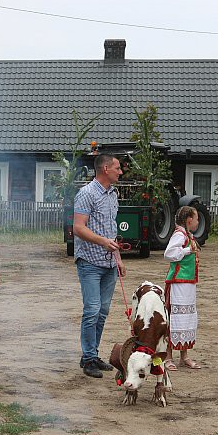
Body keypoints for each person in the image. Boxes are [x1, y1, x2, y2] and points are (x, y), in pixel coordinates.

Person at [72, 151, 126, 378]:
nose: (121, 172)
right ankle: (88, 359)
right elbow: (78, 227)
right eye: (117, 168)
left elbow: (111, 230)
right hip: (90, 262)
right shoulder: (86, 194)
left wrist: (118, 259)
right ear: (105, 169)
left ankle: (93, 354)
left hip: (109, 263)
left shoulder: (113, 194)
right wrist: (102, 242)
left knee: (102, 312)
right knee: (92, 310)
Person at [163, 206, 201, 371]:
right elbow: (169, 253)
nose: (198, 222)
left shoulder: (187, 235)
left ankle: (184, 356)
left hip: (187, 283)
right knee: (174, 317)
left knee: (185, 318)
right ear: (189, 220)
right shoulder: (180, 235)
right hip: (177, 283)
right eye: (196, 218)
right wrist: (187, 250)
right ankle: (168, 357)